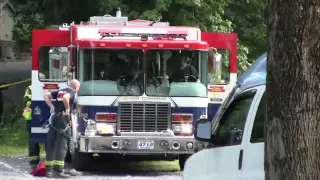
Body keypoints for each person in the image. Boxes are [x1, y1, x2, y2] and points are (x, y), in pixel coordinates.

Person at [43, 79, 81, 178]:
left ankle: (49, 171)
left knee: (51, 143)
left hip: (54, 118)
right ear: (76, 87)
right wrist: (68, 110)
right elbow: (65, 98)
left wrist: (51, 106)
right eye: (78, 88)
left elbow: (46, 95)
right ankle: (58, 171)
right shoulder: (71, 92)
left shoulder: (61, 91)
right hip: (63, 119)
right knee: (62, 145)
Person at [24, 73, 47, 171]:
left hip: (34, 117)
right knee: (37, 140)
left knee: (33, 140)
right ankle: (36, 162)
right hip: (34, 117)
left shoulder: (30, 87)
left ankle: (35, 163)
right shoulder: (45, 87)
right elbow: (27, 101)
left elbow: (26, 101)